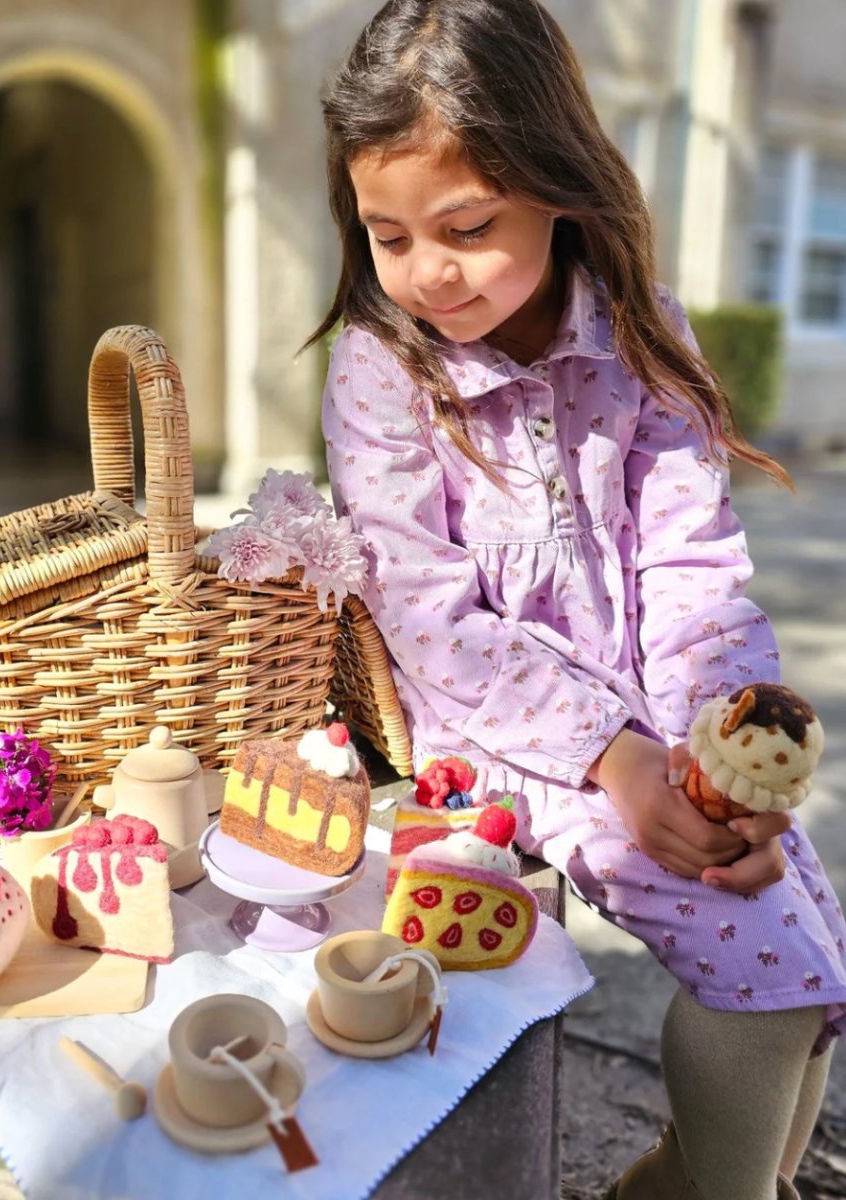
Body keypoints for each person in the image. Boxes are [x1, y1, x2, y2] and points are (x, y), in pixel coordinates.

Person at [309, 3, 846, 1198]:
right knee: (769, 978)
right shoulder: (381, 368)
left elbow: (691, 565)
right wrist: (617, 760)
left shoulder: (641, 335)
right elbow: (432, 624)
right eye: (389, 235)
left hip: (660, 723)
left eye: (466, 227)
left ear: (558, 181)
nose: (426, 270)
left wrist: (718, 753)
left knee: (809, 946)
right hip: (502, 742)